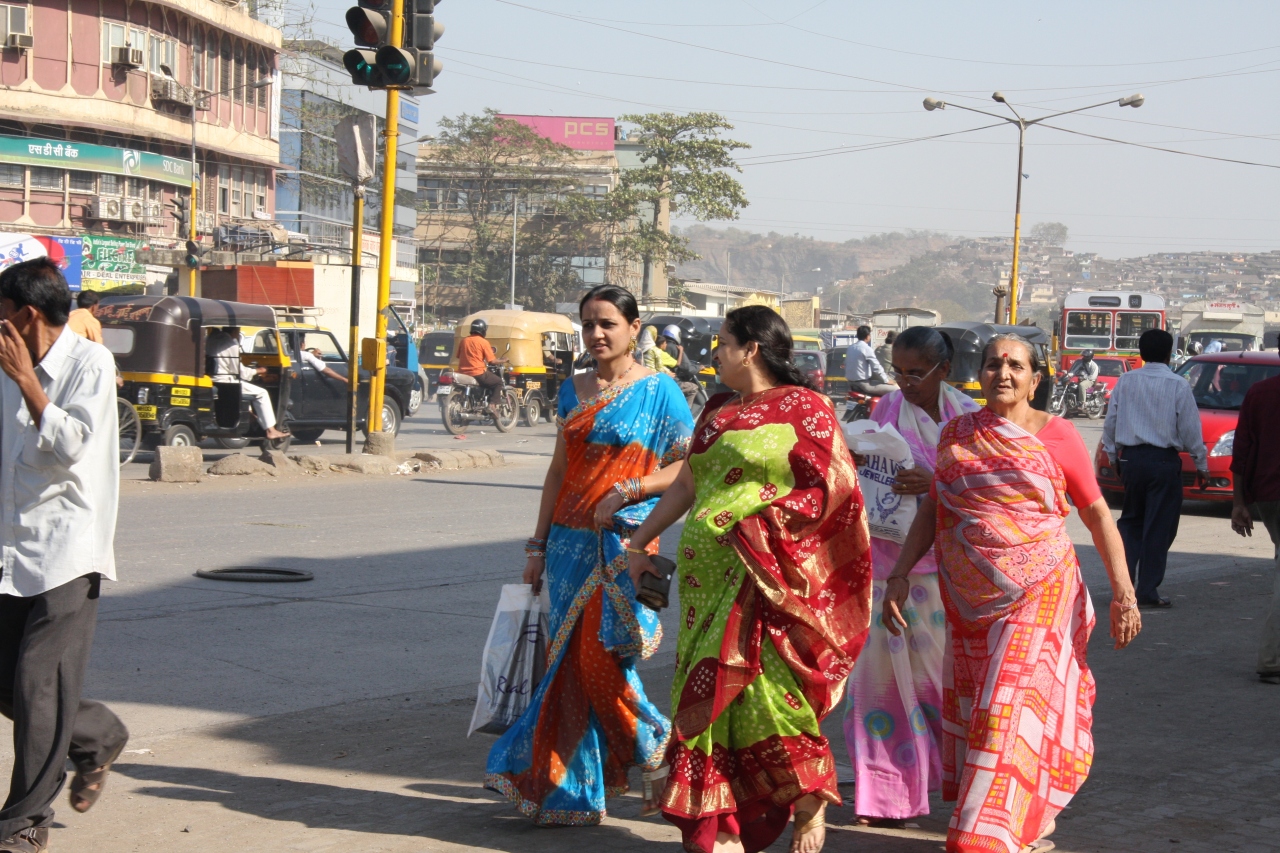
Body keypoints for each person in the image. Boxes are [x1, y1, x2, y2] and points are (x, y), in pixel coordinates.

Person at [627, 304, 873, 853]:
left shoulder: (806, 409)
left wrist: (759, 522)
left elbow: (834, 492)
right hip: (702, 582)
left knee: (763, 691)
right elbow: (688, 484)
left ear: (751, 348)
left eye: (722, 341)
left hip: (762, 580)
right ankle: (723, 822)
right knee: (704, 691)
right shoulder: (715, 410)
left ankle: (805, 800)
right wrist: (641, 538)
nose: (715, 352)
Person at [884, 332, 1141, 853]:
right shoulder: (957, 433)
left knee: (1009, 705)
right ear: (978, 374)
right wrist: (900, 573)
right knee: (992, 708)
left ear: (1035, 379)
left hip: (1041, 591)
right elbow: (936, 508)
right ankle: (1026, 811)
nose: (1004, 373)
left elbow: (1095, 514)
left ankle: (984, 834)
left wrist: (1125, 593)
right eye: (993, 364)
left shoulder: (1060, 434)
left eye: (1016, 365)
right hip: (972, 601)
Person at [486, 284, 694, 825]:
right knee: (567, 666)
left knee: (598, 660)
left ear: (634, 327)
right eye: (587, 324)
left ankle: (660, 750)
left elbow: (690, 469)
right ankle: (569, 793)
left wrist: (632, 489)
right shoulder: (571, 389)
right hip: (567, 544)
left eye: (608, 324)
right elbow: (558, 472)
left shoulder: (661, 391)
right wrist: (536, 546)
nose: (596, 334)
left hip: (626, 543)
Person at [0, 258, 130, 853]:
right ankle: (96, 734)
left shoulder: (89, 363)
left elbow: (71, 447)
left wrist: (29, 382)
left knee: (35, 682)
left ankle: (24, 822)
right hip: (11, 548)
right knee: (15, 683)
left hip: (67, 551)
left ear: (26, 318)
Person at [842, 326, 980, 827]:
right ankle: (885, 795)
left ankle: (962, 784)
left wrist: (937, 481)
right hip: (884, 569)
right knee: (877, 687)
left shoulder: (968, 420)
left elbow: (985, 490)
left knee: (939, 687)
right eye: (897, 372)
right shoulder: (883, 412)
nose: (904, 383)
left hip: (941, 575)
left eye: (916, 373)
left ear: (944, 370)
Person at [1102, 328, 1207, 608]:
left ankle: (1122, 588)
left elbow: (1111, 422)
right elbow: (1190, 428)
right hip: (1163, 462)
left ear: (1142, 352)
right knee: (1159, 527)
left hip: (1132, 461)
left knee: (1131, 523)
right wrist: (1201, 462)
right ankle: (1147, 590)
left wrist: (1113, 456)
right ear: (1169, 353)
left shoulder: (1126, 381)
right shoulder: (1177, 384)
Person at [1228, 349, 1280, 684]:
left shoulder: (1260, 392)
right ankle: (1272, 659)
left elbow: (1242, 448)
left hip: (1268, 494)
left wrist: (1239, 502)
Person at [206, 326, 289, 440]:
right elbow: (242, 373)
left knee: (248, 390)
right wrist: (259, 371)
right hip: (225, 382)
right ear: (236, 331)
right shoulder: (230, 344)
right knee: (262, 393)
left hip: (211, 380)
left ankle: (250, 416)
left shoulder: (210, 339)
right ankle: (271, 430)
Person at [455, 317, 507, 411]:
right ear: (483, 330)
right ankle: (492, 405)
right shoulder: (483, 342)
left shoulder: (464, 341)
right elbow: (492, 361)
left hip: (462, 372)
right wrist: (503, 360)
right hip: (478, 373)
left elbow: (458, 356)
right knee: (498, 382)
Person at [846, 325, 895, 397]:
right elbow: (876, 367)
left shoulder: (850, 348)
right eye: (870, 335)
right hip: (864, 384)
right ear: (867, 336)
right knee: (896, 390)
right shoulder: (866, 349)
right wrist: (886, 380)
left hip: (850, 383)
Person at [658, 325, 701, 407]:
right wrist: (698, 367)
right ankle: (686, 413)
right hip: (672, 380)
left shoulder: (658, 349)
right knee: (694, 388)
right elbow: (686, 367)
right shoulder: (675, 348)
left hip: (661, 378)